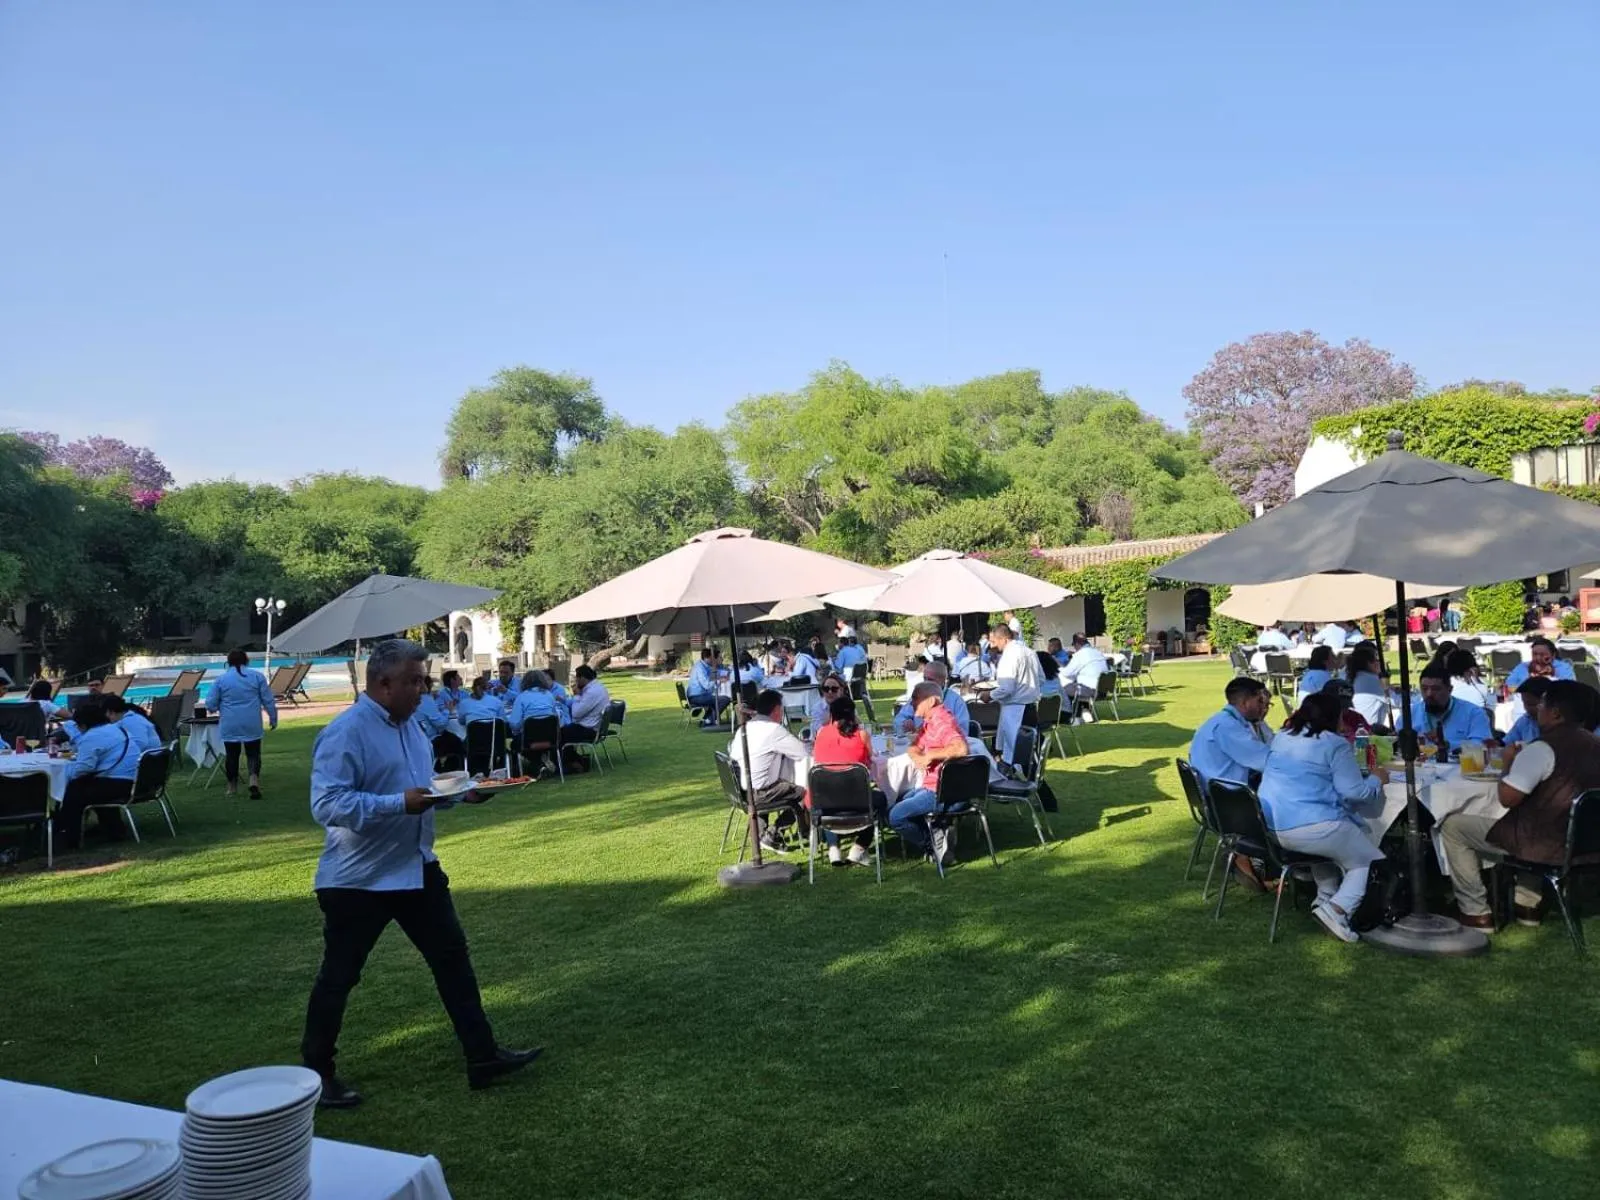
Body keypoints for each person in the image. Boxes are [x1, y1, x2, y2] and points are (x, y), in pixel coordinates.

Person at [299, 639, 538, 1107]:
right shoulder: (346, 732)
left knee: (453, 960)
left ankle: (482, 1055)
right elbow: (327, 805)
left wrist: (464, 793)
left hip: (416, 867)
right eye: (414, 681)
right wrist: (398, 804)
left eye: (424, 679)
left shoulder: (411, 727)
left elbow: (423, 792)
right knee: (340, 976)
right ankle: (316, 1074)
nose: (423, 689)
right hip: (358, 879)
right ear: (383, 684)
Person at [1440, 680, 1600, 931]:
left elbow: (1507, 797)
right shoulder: (1594, 744)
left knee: (1453, 826)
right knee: (1533, 819)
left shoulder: (1543, 749)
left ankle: (1475, 911)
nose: (1537, 711)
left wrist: (1507, 763)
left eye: (1542, 705)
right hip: (1586, 842)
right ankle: (1527, 905)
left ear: (1555, 713)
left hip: (1546, 844)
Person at [1259, 693, 1390, 942]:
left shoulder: (1283, 736)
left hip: (1274, 825)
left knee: (1334, 847)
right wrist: (1377, 779)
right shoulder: (1335, 744)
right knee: (1368, 860)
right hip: (1312, 826)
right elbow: (1354, 793)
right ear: (1334, 716)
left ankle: (1324, 898)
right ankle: (1337, 909)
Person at [887, 683, 973, 866]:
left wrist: (930, 755)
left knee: (896, 816)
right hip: (932, 786)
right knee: (898, 799)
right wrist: (919, 757)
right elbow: (913, 747)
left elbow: (961, 748)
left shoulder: (942, 721)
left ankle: (933, 846)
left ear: (932, 700)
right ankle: (938, 832)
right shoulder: (929, 723)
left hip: (942, 792)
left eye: (916, 698)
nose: (912, 702)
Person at [728, 689, 811, 853]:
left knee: (773, 781)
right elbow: (802, 752)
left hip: (741, 791)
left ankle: (760, 833)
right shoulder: (773, 730)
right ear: (777, 710)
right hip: (761, 793)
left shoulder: (744, 728)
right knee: (804, 793)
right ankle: (774, 833)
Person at [54, 699, 139, 850]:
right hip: (134, 780)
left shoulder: (91, 737)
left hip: (117, 784)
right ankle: (114, 829)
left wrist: (63, 777)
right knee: (84, 786)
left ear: (83, 725)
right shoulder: (117, 729)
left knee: (73, 792)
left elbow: (83, 769)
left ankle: (69, 837)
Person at [810, 695, 878, 867]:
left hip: (825, 801)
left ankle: (833, 848)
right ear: (853, 714)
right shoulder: (861, 735)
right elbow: (872, 759)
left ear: (831, 714)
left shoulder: (821, 733)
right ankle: (858, 849)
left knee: (830, 799)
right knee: (881, 801)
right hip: (858, 802)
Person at [206, 648, 278, 799]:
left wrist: (215, 708)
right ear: (246, 661)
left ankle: (232, 787)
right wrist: (273, 718)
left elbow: (211, 703)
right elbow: (268, 700)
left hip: (230, 723)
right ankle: (253, 780)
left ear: (228, 662)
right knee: (253, 753)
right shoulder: (257, 677)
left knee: (232, 755)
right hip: (252, 722)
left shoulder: (221, 680)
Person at [1188, 677, 1272, 790]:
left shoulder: (1223, 719)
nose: (1264, 707)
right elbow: (1264, 760)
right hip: (1226, 794)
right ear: (1245, 702)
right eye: (1259, 701)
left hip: (1217, 786)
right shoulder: (1228, 727)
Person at [1411, 664, 1493, 754]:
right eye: (1424, 688)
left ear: (1450, 690)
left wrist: (1448, 745)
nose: (1429, 694)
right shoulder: (1411, 713)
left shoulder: (1473, 713)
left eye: (1435, 689)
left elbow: (1482, 745)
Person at [989, 622, 1041, 764]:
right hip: (1031, 707)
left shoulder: (1009, 656)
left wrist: (990, 695)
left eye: (995, 641)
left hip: (1015, 710)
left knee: (1015, 755)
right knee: (1029, 754)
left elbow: (1007, 688)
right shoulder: (1029, 652)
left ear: (1003, 639)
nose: (994, 645)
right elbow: (1041, 678)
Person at [894, 660, 971, 736]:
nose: (926, 683)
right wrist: (905, 723)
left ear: (943, 681)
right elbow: (899, 719)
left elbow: (962, 731)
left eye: (930, 680)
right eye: (925, 678)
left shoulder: (956, 701)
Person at [557, 665, 610, 771]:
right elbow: (580, 704)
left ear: (582, 678)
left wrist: (576, 695)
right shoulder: (597, 687)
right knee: (563, 731)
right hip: (593, 726)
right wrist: (565, 701)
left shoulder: (591, 692)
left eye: (576, 678)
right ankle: (574, 760)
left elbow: (576, 713)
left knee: (558, 734)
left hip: (589, 729)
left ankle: (571, 763)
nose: (576, 682)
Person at [1502, 637, 1576, 693]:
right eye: (1535, 654)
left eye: (1542, 654)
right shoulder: (1522, 667)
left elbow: (1570, 689)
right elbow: (1509, 686)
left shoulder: (1564, 668)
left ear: (1553, 655)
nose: (1538, 658)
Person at [686, 647, 729, 726]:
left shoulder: (704, 666)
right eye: (712, 658)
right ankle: (708, 720)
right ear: (707, 658)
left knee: (719, 699)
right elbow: (706, 685)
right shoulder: (700, 668)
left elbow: (715, 673)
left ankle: (707, 719)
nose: (713, 660)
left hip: (700, 695)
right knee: (725, 699)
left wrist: (722, 673)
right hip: (697, 696)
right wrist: (719, 680)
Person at [1059, 634, 1108, 704]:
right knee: (1073, 685)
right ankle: (1082, 709)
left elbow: (1067, 673)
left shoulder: (1080, 654)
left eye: (1074, 646)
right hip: (1103, 690)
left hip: (1091, 690)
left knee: (1061, 689)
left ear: (1077, 644)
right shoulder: (1098, 652)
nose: (1074, 648)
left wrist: (1059, 666)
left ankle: (1069, 710)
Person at [1502, 677, 1550, 746]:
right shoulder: (1525, 720)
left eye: (1532, 704)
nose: (1527, 708)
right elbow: (1507, 742)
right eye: (1524, 703)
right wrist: (1497, 743)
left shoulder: (1560, 726)